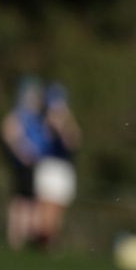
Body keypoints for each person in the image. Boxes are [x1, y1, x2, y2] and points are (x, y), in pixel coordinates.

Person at [31, 82, 81, 249]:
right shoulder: (43, 119)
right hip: (48, 165)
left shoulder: (67, 121)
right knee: (44, 205)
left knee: (57, 208)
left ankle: (51, 240)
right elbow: (42, 141)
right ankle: (40, 240)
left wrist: (66, 121)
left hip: (62, 167)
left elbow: (73, 142)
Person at [0, 77, 46, 250]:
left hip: (33, 163)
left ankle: (24, 239)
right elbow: (8, 131)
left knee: (29, 201)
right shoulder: (20, 113)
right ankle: (15, 239)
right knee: (20, 200)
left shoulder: (34, 116)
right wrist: (21, 152)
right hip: (23, 163)